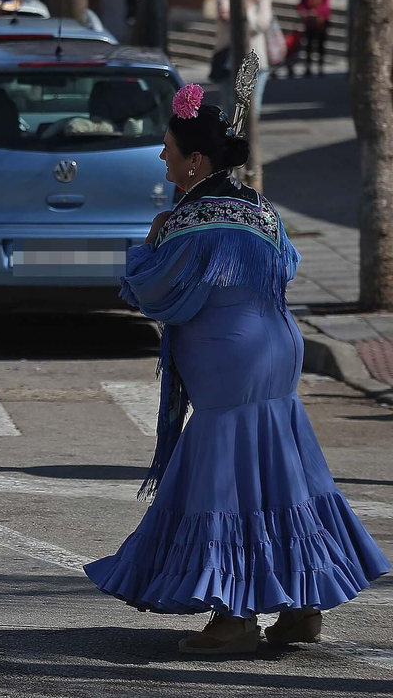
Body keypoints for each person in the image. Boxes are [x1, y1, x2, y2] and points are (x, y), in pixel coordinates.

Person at [87, 84, 388, 654]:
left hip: (229, 360)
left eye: (168, 147)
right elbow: (290, 265)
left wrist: (148, 245)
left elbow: (156, 294)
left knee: (226, 484)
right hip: (277, 348)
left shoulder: (188, 220)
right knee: (280, 474)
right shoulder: (260, 208)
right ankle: (302, 607)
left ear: (196, 160)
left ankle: (235, 616)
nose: (161, 156)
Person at [214, 0, 273, 117]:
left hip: (255, 61)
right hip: (228, 62)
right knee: (229, 110)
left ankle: (247, 144)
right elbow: (228, 18)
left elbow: (262, 24)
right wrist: (247, 2)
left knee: (251, 113)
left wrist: (238, 19)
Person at [296, 0, 331, 77]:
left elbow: (326, 7)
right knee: (309, 46)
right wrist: (305, 13)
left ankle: (320, 67)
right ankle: (308, 67)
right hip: (310, 24)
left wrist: (316, 12)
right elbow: (300, 5)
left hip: (321, 25)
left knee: (320, 46)